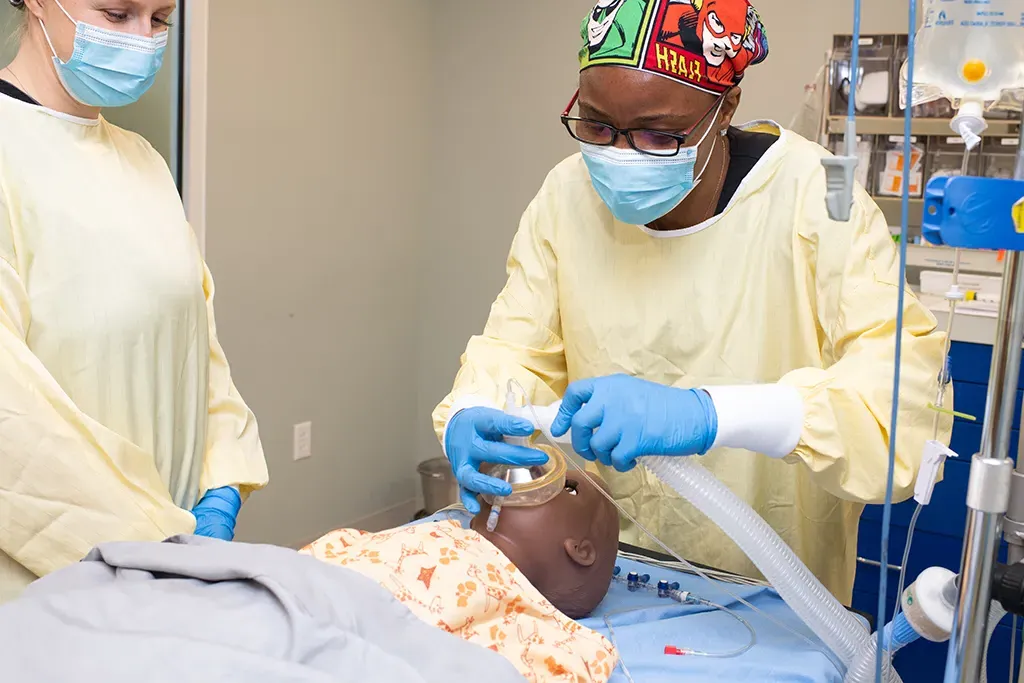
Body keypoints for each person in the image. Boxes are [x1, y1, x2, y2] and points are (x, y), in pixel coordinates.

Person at [434, 0, 951, 606]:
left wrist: (710, 415)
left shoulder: (820, 193)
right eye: (598, 126)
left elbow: (899, 411)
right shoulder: (566, 196)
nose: (620, 154)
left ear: (725, 105)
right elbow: (516, 351)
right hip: (606, 577)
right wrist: (474, 406)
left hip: (776, 593)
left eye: (659, 133)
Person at [0, 0, 269, 602]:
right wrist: (148, 547)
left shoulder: (144, 162)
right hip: (50, 585)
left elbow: (199, 348)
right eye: (117, 14)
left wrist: (220, 479)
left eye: (160, 20)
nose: (143, 40)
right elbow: (11, 429)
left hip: (173, 563)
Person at [303, 456, 619, 682]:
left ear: (579, 550)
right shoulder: (445, 529)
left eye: (567, 488)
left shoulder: (519, 614)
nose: (536, 478)